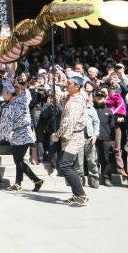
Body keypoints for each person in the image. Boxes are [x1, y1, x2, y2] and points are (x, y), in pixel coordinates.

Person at [0, 79, 44, 192]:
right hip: (28, 132)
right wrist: (20, 86)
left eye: (4, 93)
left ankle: (36, 180)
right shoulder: (22, 99)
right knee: (19, 159)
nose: (3, 95)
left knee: (18, 160)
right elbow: (27, 92)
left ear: (8, 93)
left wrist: (2, 135)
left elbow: (6, 124)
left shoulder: (8, 107)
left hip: (19, 135)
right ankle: (18, 183)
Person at [51, 72, 89, 206]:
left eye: (70, 83)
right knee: (68, 165)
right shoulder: (70, 96)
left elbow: (69, 122)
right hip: (69, 135)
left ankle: (81, 195)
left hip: (74, 135)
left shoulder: (77, 100)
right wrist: (54, 82)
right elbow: (58, 97)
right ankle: (76, 194)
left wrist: (57, 134)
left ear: (78, 86)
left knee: (65, 165)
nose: (67, 85)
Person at [74, 84, 100, 188]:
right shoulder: (75, 108)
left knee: (92, 160)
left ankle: (93, 178)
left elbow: (96, 122)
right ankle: (80, 179)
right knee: (78, 161)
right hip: (78, 137)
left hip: (89, 137)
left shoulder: (91, 109)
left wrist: (95, 135)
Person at [93, 89, 115, 186]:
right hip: (94, 138)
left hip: (106, 138)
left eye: (101, 97)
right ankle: (94, 177)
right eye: (97, 96)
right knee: (94, 159)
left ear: (105, 98)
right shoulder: (91, 109)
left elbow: (112, 126)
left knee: (106, 159)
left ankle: (106, 178)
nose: (99, 98)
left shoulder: (109, 110)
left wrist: (112, 140)